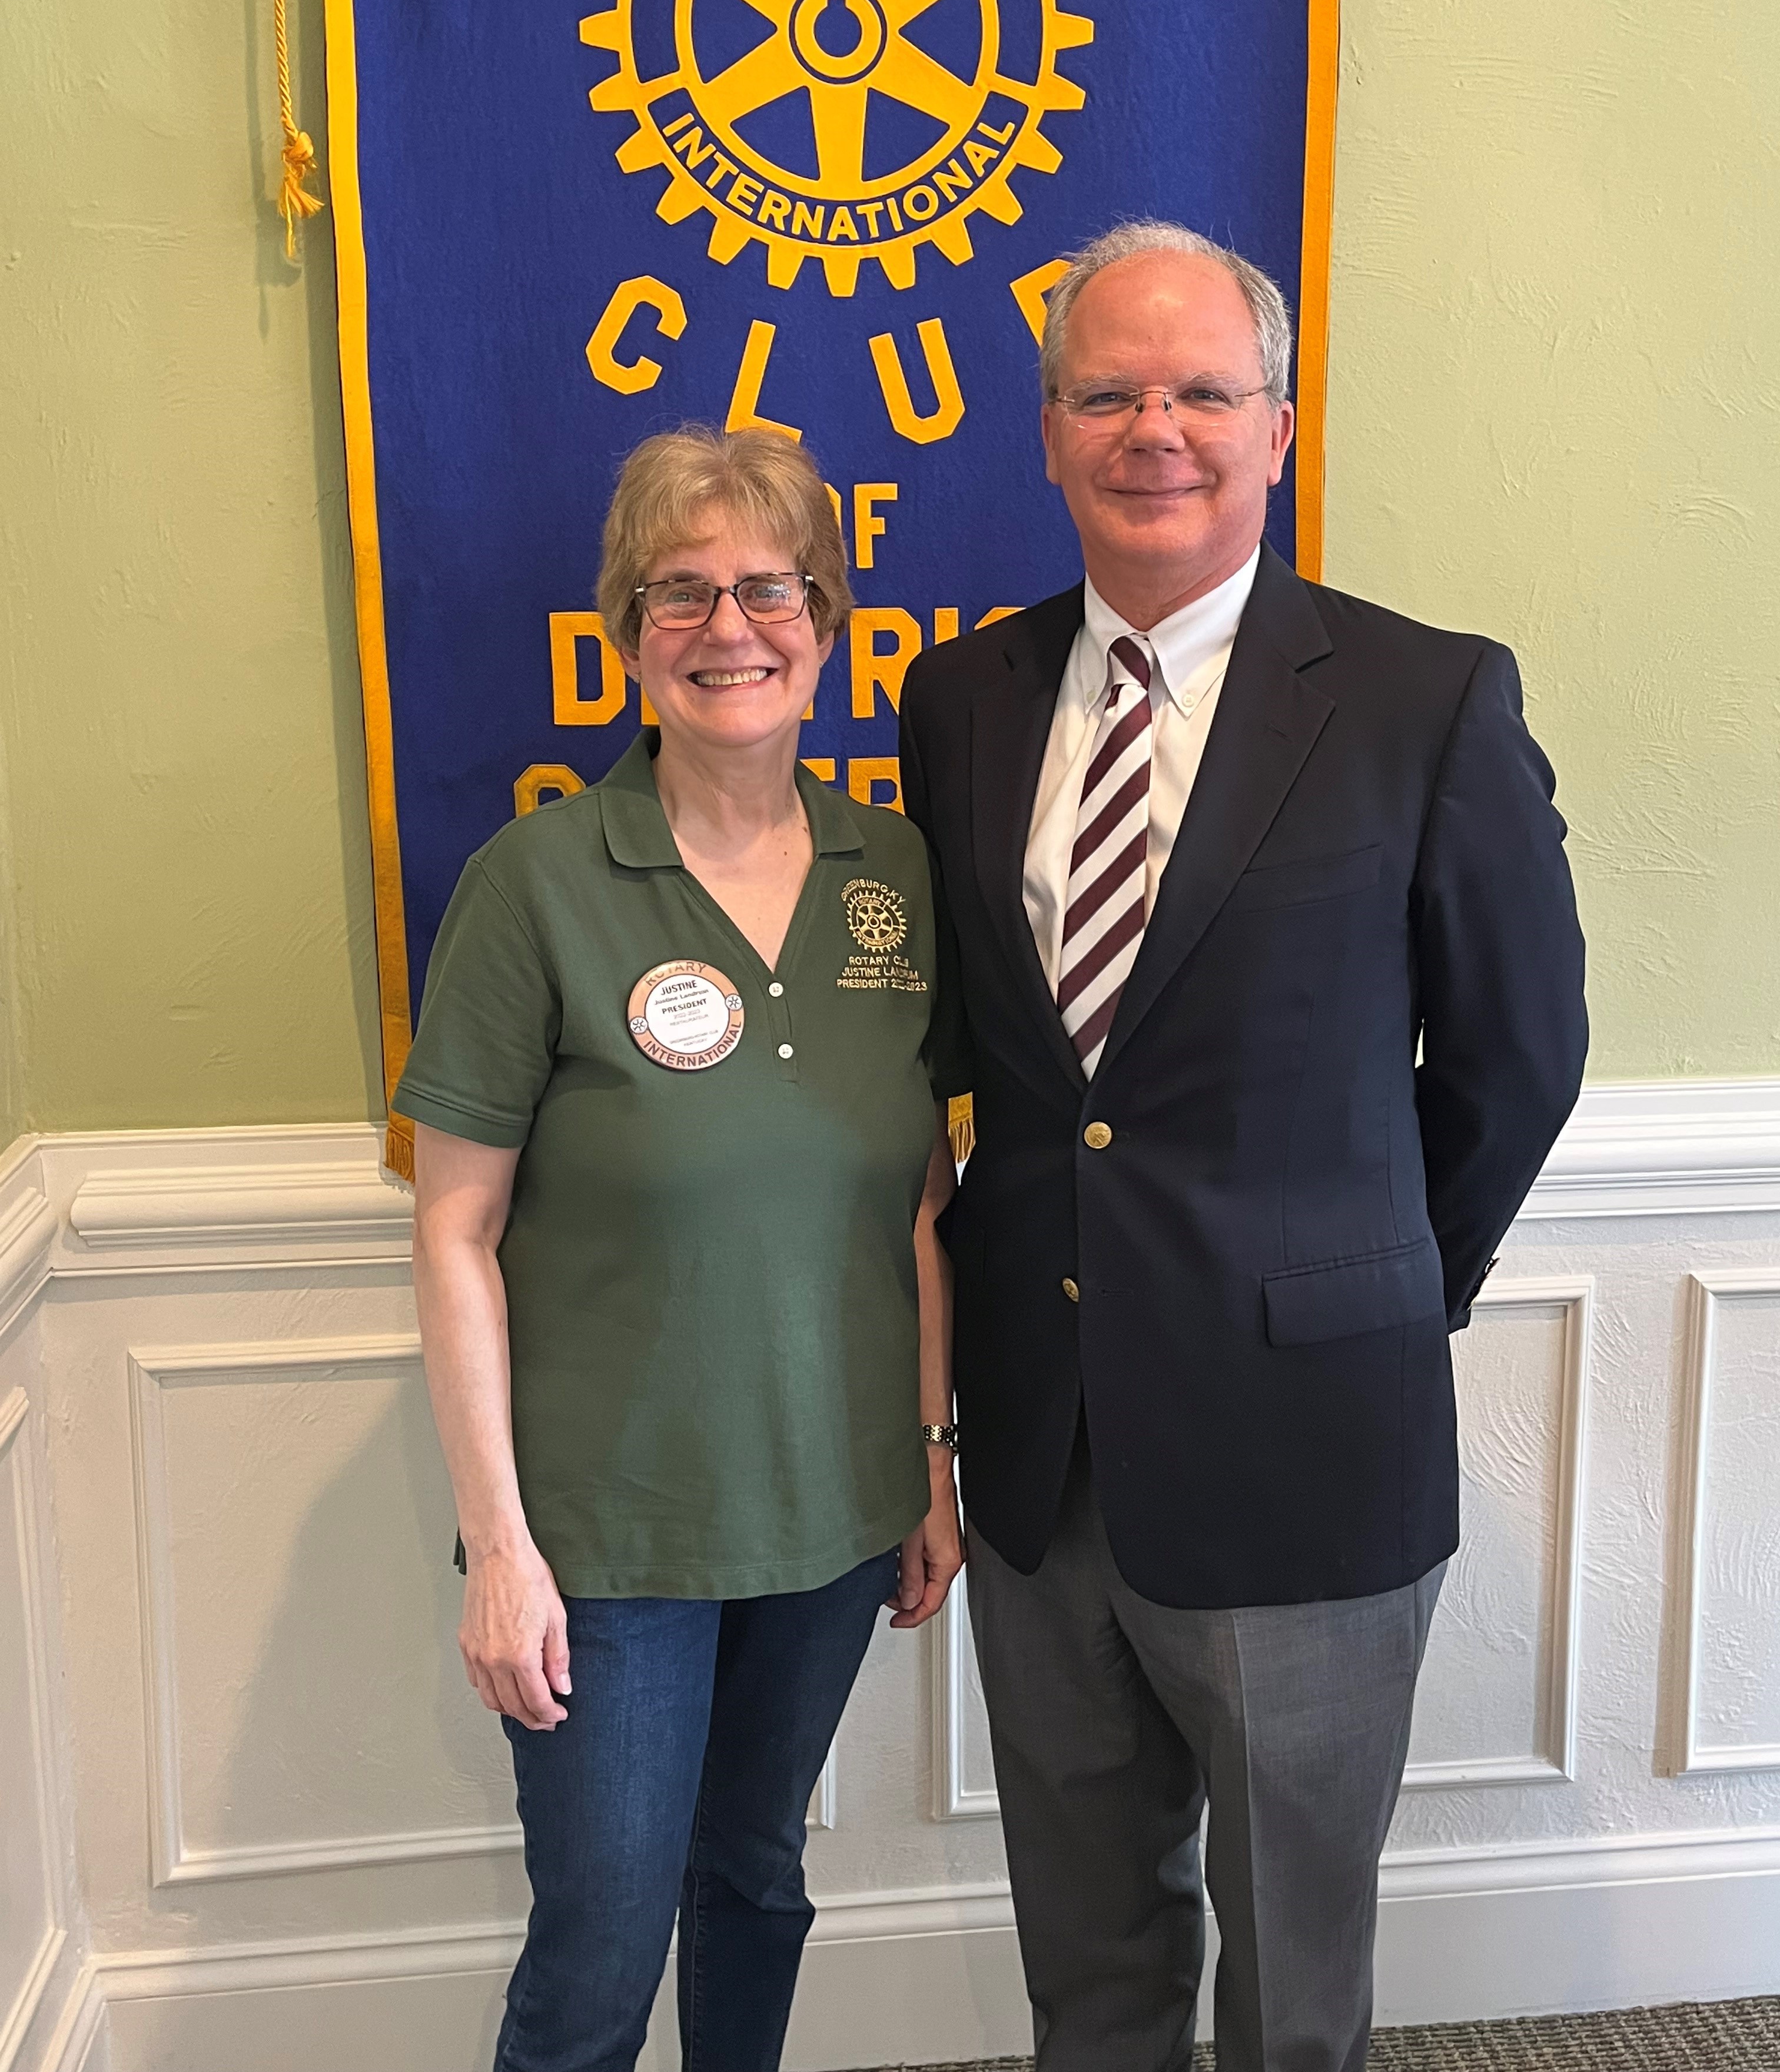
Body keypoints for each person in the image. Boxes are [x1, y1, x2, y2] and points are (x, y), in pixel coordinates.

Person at [898, 220, 1588, 2072]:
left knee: (1294, 1984)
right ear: (1045, 432)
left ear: (1277, 431)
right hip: (1045, 1452)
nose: (1158, 430)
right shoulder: (959, 706)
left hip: (1307, 1447)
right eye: (1108, 392)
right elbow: (982, 1064)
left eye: (1204, 391)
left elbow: (1520, 1059)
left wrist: (1371, 1285)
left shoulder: (1424, 700)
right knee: (1093, 1958)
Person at [397, 424, 965, 2072]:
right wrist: (499, 1548)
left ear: (829, 619)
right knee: (600, 1942)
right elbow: (454, 1231)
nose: (732, 628)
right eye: (682, 593)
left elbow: (920, 1196)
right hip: (607, 1542)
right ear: (629, 632)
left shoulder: (901, 878)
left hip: (835, 1514)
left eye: (769, 588)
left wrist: (929, 1465)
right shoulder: (537, 884)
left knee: (757, 1880)